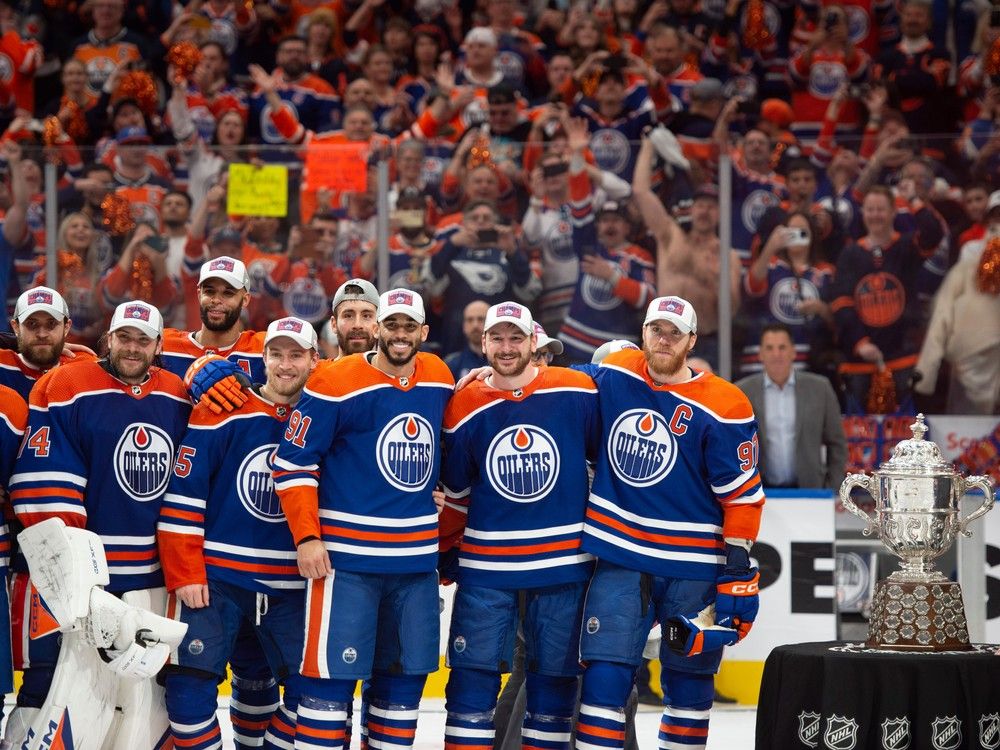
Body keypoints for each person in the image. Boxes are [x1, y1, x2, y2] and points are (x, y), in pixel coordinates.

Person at [576, 295, 764, 750]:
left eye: (674, 332)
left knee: (690, 685)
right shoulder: (613, 372)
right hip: (621, 554)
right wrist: (489, 375)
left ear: (692, 340)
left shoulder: (725, 403)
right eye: (656, 330)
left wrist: (738, 567)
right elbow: (548, 387)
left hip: (693, 563)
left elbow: (741, 493)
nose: (664, 339)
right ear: (642, 333)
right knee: (604, 678)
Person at [273, 289, 454, 749]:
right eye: (390, 325)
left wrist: (432, 485)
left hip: (415, 566)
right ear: (377, 329)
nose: (398, 334)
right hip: (347, 565)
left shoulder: (438, 376)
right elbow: (292, 464)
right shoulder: (333, 382)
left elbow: (444, 445)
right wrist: (307, 538)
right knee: (328, 686)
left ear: (423, 332)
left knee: (403, 687)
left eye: (408, 326)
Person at [6, 300, 191, 748]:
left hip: (154, 578)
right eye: (123, 337)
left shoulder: (178, 395)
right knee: (52, 686)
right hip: (83, 583)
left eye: (142, 340)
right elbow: (45, 483)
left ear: (159, 345)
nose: (132, 348)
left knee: (145, 696)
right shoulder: (67, 384)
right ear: (107, 339)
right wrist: (80, 583)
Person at [438, 301, 599, 750]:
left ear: (533, 341)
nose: (506, 347)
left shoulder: (577, 388)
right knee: (470, 691)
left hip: (563, 567)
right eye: (497, 338)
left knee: (553, 693)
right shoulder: (463, 402)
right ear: (482, 343)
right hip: (487, 570)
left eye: (516, 338)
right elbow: (454, 489)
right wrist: (444, 549)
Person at [159, 316, 321, 750]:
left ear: (314, 360)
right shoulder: (223, 409)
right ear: (262, 358)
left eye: (297, 355)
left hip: (294, 584)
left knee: (315, 698)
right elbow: (184, 497)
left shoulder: (326, 413)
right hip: (218, 580)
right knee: (187, 696)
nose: (286, 365)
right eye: (277, 354)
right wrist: (186, 572)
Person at [736, 324, 847, 489]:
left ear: (793, 352)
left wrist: (833, 488)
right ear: (761, 354)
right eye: (769, 348)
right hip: (759, 493)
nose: (776, 354)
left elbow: (837, 443)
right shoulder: (742, 391)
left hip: (811, 493)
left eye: (782, 347)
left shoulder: (820, 388)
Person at [0, 287, 93, 400]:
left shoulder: (87, 370)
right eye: (32, 324)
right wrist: (20, 343)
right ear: (16, 327)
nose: (42, 334)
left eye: (51, 324)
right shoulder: (3, 366)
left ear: (66, 327)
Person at [445, 300, 489, 379]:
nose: (475, 325)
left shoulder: (503, 361)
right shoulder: (451, 364)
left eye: (481, 319)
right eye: (470, 320)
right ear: (464, 326)